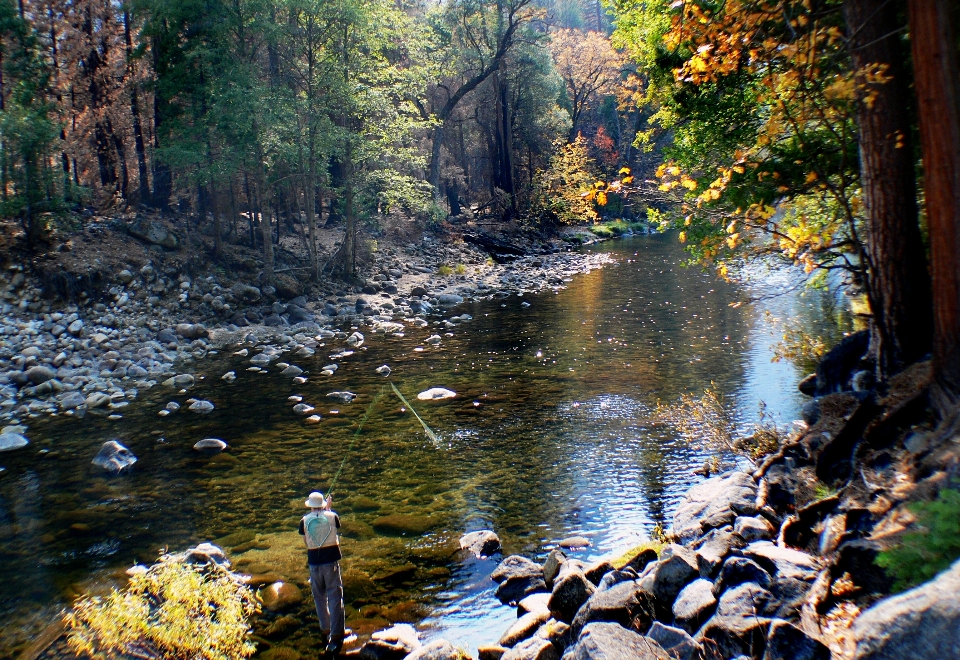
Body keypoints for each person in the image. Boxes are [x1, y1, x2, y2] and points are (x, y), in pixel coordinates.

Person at [300, 491, 345, 655]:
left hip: (314, 564)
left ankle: (325, 630)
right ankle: (337, 634)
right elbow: (331, 523)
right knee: (334, 596)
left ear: (310, 506)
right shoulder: (333, 516)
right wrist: (328, 509)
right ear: (323, 504)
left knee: (319, 597)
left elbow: (306, 540)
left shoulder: (304, 520)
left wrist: (325, 509)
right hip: (331, 563)